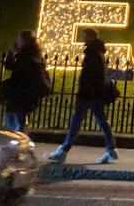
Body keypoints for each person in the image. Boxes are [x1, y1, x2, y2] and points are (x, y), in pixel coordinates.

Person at [46, 28, 119, 165]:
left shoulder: (92, 53)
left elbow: (89, 75)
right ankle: (111, 148)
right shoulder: (98, 52)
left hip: (88, 93)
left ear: (90, 37)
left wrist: (82, 90)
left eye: (84, 35)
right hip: (97, 93)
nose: (82, 38)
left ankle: (64, 151)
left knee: (76, 122)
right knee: (102, 121)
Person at [2, 30, 51, 132]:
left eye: (19, 39)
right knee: (19, 119)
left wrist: (12, 52)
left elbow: (11, 67)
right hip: (25, 95)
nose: (17, 41)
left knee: (16, 122)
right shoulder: (34, 55)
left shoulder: (25, 57)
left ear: (24, 41)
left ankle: (19, 137)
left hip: (21, 94)